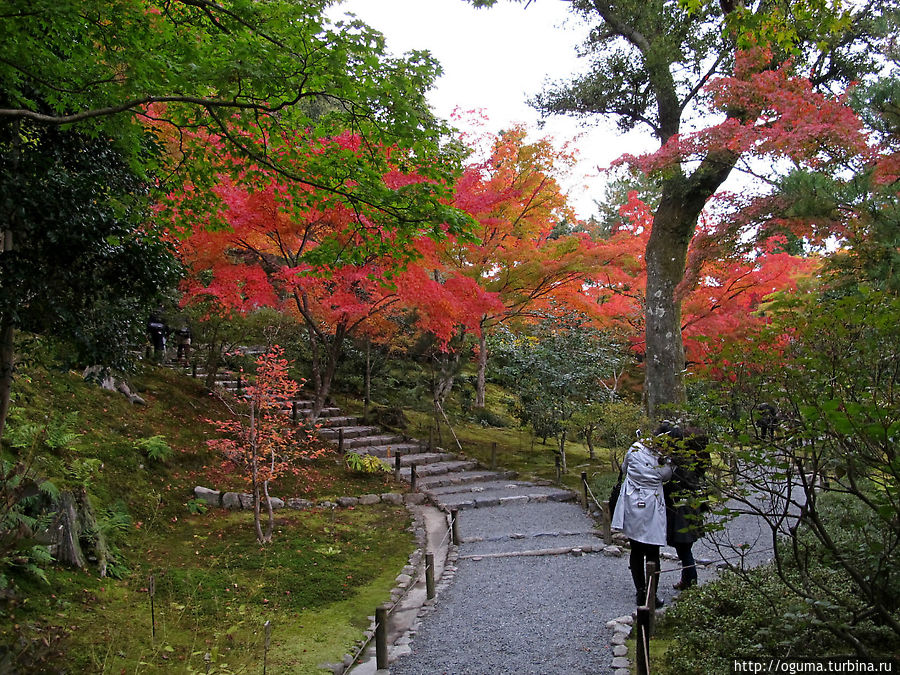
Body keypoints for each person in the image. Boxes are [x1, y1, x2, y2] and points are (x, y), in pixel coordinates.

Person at [612, 421, 679, 605]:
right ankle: (651, 594)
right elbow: (666, 477)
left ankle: (640, 591)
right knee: (652, 550)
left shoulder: (636, 447)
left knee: (636, 549)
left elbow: (625, 468)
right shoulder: (665, 459)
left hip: (632, 500)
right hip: (652, 504)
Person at [665, 427, 711, 591]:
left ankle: (690, 582)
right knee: (684, 548)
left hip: (683, 508)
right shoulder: (696, 461)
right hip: (692, 505)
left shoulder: (684, 463)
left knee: (683, 549)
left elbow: (673, 483)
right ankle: (687, 579)